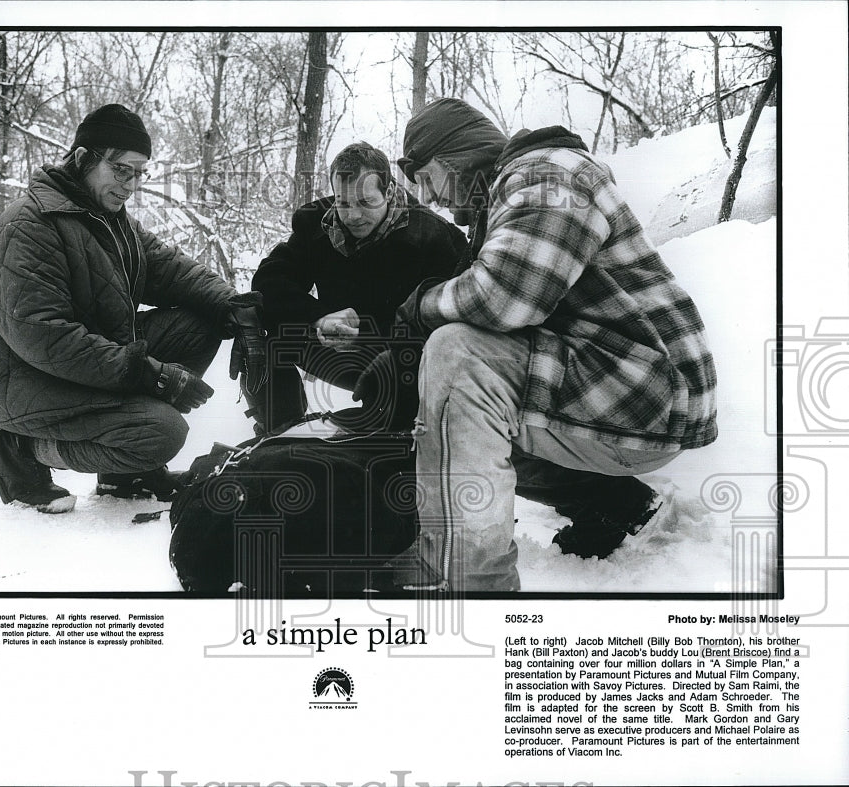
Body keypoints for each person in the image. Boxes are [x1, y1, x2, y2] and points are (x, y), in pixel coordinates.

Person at [370, 97, 718, 591]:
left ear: (455, 158)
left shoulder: (547, 175)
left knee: (458, 355)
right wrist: (400, 359)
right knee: (451, 399)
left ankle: (469, 579)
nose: (430, 198)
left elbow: (503, 297)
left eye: (427, 180)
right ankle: (616, 505)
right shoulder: (514, 195)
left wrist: (419, 306)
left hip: (647, 391)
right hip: (625, 388)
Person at [0, 104, 267, 514]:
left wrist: (234, 306)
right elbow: (46, 337)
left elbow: (170, 268)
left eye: (139, 173)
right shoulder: (30, 225)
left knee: (199, 323)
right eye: (122, 169)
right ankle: (20, 449)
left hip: (79, 363)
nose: (131, 185)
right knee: (161, 433)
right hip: (25, 381)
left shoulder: (107, 218)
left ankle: (126, 474)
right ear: (83, 158)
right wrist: (148, 373)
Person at [247, 141, 467, 433]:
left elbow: (444, 330)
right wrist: (320, 316)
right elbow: (268, 282)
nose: (352, 216)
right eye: (343, 203)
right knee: (255, 319)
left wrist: (367, 335)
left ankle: (392, 435)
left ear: (388, 192)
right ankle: (281, 429)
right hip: (333, 344)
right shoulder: (314, 223)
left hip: (401, 357)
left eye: (365, 202)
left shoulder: (435, 238)